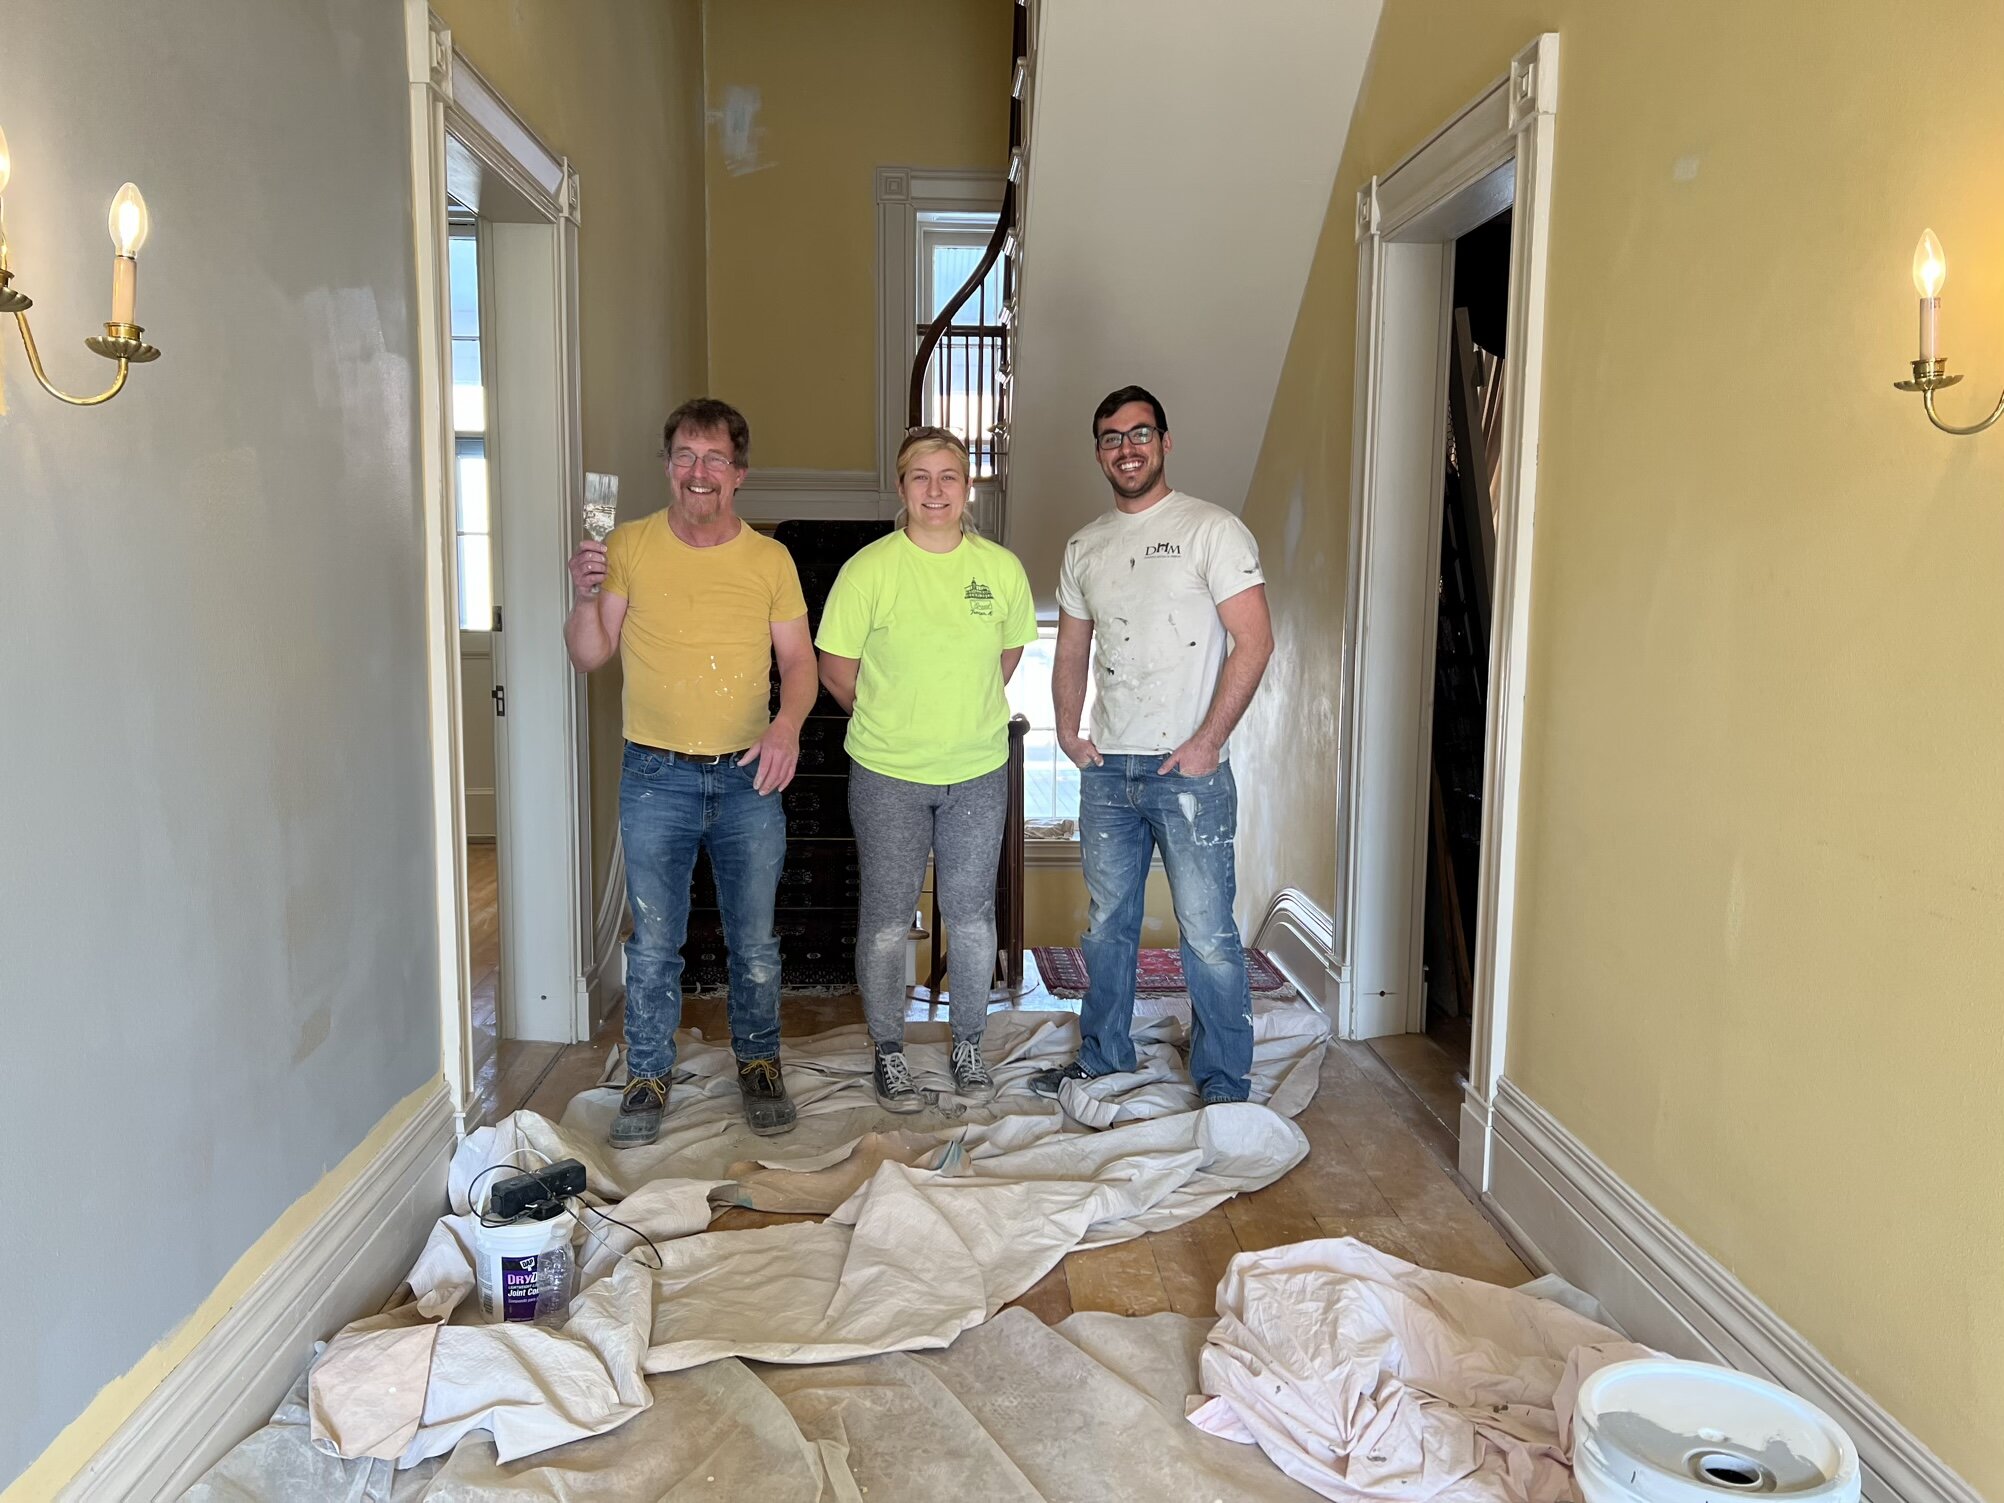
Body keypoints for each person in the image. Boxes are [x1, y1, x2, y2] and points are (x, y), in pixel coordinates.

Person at [564, 397, 818, 1146]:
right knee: (653, 945)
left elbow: (799, 664)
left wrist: (787, 725)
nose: (697, 472)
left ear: (739, 474)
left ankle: (760, 1062)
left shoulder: (769, 559)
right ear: (668, 466)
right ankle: (646, 1073)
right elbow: (589, 652)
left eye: (714, 459)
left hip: (747, 778)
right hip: (654, 776)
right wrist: (583, 595)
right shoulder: (631, 546)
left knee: (756, 941)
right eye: (684, 456)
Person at [1032, 385, 1274, 1104]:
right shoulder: (1085, 545)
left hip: (1189, 771)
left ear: (1165, 442)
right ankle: (1104, 1055)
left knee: (1205, 932)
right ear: (1099, 452)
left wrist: (1207, 742)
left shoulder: (1212, 530)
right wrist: (1070, 734)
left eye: (1140, 433)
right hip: (1109, 770)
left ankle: (1224, 1080)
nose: (1126, 447)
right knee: (1107, 925)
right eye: (1111, 437)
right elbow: (1071, 651)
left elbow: (1254, 641)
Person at [815, 428, 1037, 1111]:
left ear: (967, 487)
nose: (935, 490)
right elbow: (837, 672)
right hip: (887, 772)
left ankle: (967, 1043)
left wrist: (956, 719)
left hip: (976, 771)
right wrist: (895, 722)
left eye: (949, 476)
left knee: (971, 917)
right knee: (886, 919)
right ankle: (889, 1050)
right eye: (920, 476)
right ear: (901, 486)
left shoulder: (1000, 570)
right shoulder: (869, 570)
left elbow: (1003, 659)